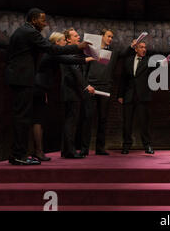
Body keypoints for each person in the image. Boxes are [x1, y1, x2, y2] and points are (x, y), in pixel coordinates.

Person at [5, 8, 89, 165]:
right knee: (22, 118)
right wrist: (78, 47)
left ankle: (20, 153)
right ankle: (19, 155)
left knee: (23, 118)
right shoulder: (30, 32)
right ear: (34, 19)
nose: (45, 23)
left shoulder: (23, 31)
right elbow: (52, 49)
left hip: (20, 78)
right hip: (22, 79)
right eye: (42, 20)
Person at [32, 32, 94, 161]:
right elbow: (70, 61)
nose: (65, 43)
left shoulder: (53, 54)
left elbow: (69, 59)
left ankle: (41, 151)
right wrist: (87, 58)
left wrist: (88, 59)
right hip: (40, 88)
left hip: (42, 88)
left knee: (40, 120)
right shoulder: (52, 53)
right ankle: (39, 152)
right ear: (57, 43)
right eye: (63, 41)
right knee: (38, 120)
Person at [80, 29, 120, 156]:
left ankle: (100, 148)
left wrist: (132, 46)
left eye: (112, 37)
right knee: (88, 118)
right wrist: (86, 85)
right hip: (91, 87)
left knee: (103, 119)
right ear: (101, 37)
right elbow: (84, 69)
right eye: (109, 36)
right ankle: (84, 148)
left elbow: (125, 52)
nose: (110, 39)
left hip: (105, 88)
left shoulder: (113, 52)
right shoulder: (91, 50)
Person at [60, 28, 95, 159]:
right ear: (68, 39)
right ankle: (70, 151)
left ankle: (66, 150)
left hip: (70, 91)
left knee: (69, 121)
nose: (78, 37)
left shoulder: (72, 52)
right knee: (71, 122)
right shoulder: (70, 52)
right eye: (75, 36)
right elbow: (75, 72)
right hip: (71, 92)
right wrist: (86, 86)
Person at [117, 41, 155, 155]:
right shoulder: (128, 61)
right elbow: (123, 79)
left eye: (145, 47)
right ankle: (126, 146)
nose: (144, 49)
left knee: (144, 123)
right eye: (141, 47)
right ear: (136, 49)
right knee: (127, 123)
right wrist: (120, 95)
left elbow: (158, 65)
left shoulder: (149, 61)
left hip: (142, 96)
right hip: (129, 96)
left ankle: (147, 145)